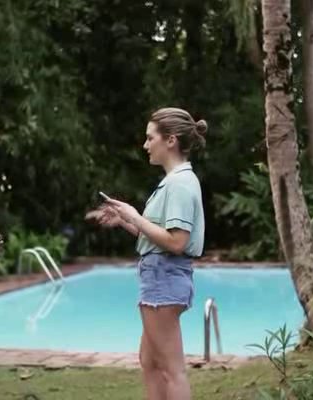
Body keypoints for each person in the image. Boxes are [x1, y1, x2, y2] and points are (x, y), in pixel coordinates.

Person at [86, 107, 207, 400]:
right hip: (160, 273)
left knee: (171, 369)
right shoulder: (174, 181)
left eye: (150, 138)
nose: (145, 144)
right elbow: (158, 238)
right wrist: (124, 221)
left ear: (171, 140)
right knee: (150, 361)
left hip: (164, 275)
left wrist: (134, 215)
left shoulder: (179, 184)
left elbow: (176, 242)